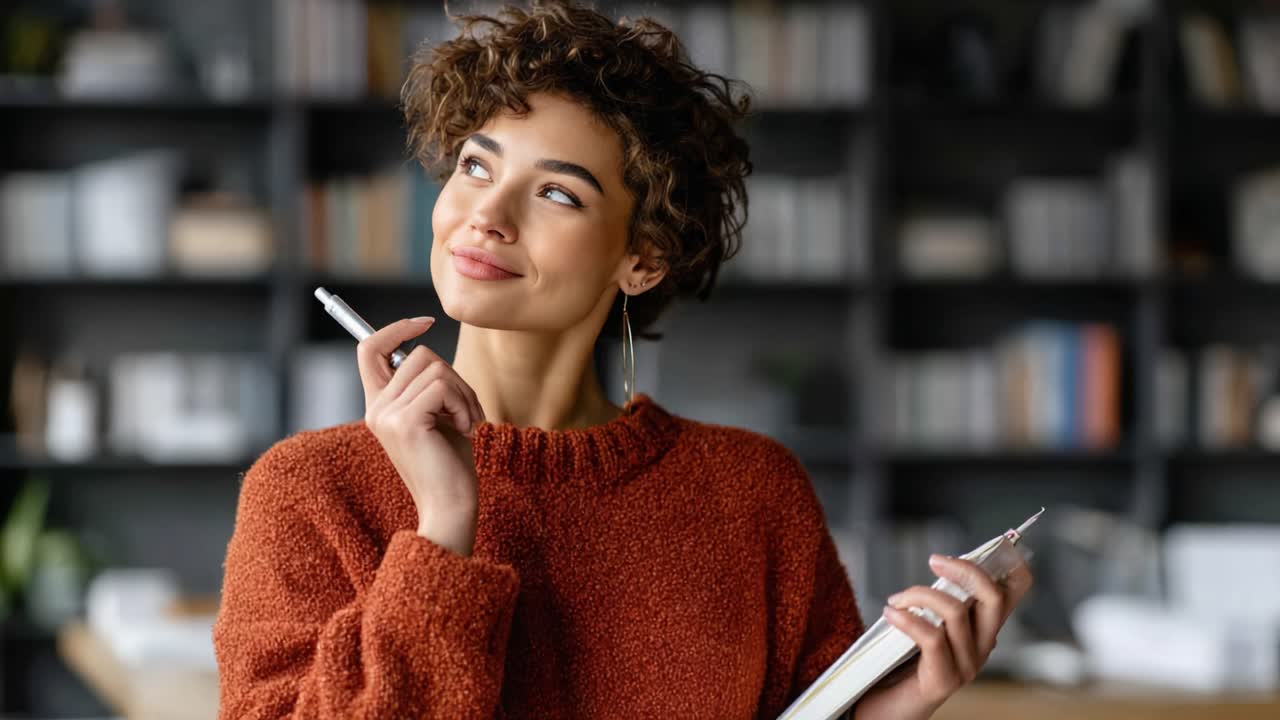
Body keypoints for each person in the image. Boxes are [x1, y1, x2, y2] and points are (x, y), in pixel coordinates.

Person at [212, 2, 1033, 718]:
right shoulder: (308, 494)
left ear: (642, 259)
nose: (487, 215)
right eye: (474, 167)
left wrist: (900, 709)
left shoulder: (754, 496)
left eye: (557, 192)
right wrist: (442, 530)